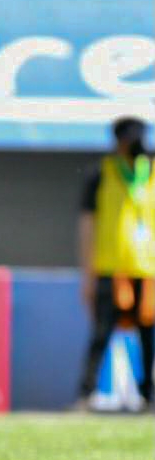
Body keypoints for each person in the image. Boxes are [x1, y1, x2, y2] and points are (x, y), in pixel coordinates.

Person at [76, 116, 155, 410]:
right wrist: (88, 273)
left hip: (147, 270)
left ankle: (148, 397)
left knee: (149, 338)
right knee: (101, 335)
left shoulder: (152, 172)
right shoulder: (102, 173)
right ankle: (85, 395)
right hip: (110, 268)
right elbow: (87, 224)